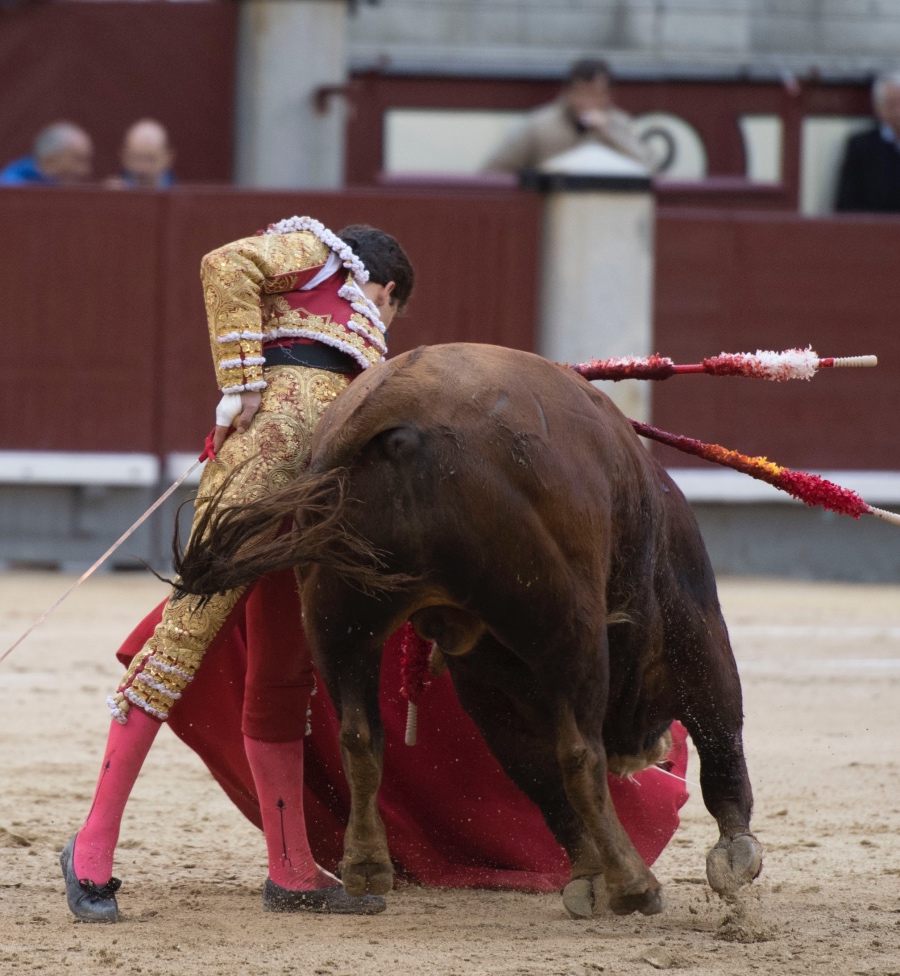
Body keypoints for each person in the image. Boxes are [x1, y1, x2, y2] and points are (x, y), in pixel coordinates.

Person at [61, 216, 415, 921]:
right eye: (393, 307)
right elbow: (225, 262)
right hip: (257, 471)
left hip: (316, 499)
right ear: (387, 288)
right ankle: (91, 852)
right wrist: (242, 386)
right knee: (178, 648)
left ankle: (290, 872)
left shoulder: (366, 347)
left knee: (283, 673)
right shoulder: (321, 254)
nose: (387, 318)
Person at [483, 59, 651, 173]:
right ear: (568, 93)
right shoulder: (540, 126)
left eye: (596, 95)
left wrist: (611, 134)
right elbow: (494, 170)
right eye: (582, 94)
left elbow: (649, 168)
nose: (588, 103)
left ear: (609, 97)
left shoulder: (619, 124)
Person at [836, 71, 900, 212]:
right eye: (891, 105)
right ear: (879, 108)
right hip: (873, 230)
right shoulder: (861, 147)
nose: (898, 112)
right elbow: (845, 206)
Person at [0, 122, 93, 186]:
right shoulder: (11, 185)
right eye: (78, 160)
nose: (84, 170)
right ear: (51, 159)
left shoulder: (51, 183)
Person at [106, 119, 176, 189]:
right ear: (124, 156)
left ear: (168, 158)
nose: (143, 167)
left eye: (150, 159)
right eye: (136, 159)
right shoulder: (112, 192)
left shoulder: (181, 196)